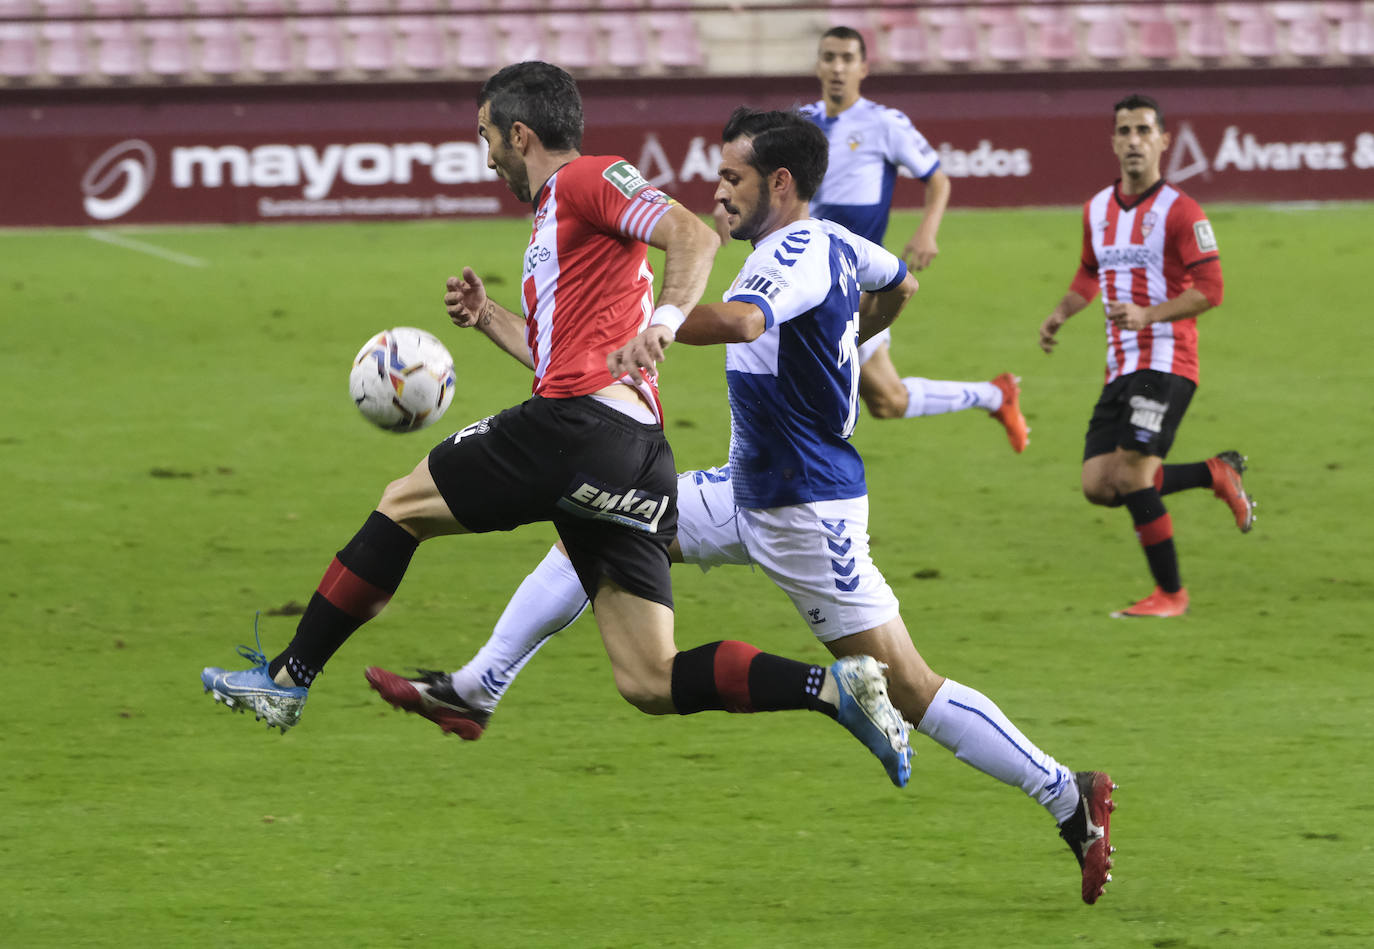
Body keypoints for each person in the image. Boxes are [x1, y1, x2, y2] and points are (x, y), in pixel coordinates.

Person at [369, 108, 1119, 906]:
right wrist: (860, 339)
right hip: (745, 489)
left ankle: (1069, 793)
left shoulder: (792, 250)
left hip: (803, 514)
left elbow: (742, 319)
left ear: (781, 184)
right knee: (595, 524)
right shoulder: (832, 238)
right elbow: (901, 279)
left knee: (909, 686)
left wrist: (647, 321)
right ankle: (478, 686)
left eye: (732, 178)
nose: (716, 192)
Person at [200, 62, 915, 790]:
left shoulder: (586, 179)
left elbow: (694, 237)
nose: (486, 156)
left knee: (402, 504)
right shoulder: (557, 223)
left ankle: (290, 676)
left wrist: (665, 323)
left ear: (520, 133)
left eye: (487, 138)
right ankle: (831, 689)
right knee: (648, 677)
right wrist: (487, 319)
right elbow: (556, 355)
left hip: (578, 428)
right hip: (637, 455)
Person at [711, 25, 1029, 452]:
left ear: (863, 67)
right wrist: (731, 197)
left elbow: (937, 180)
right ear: (818, 65)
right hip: (795, 273)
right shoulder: (798, 127)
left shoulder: (884, 124)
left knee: (880, 397)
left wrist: (927, 230)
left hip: (848, 284)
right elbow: (754, 172)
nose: (837, 67)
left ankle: (995, 395)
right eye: (829, 57)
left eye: (846, 58)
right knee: (867, 394)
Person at [1037, 93, 1256, 619]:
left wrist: (1148, 315)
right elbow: (1091, 271)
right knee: (1099, 484)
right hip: (1120, 364)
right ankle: (1214, 474)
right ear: (1113, 141)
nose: (1134, 140)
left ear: (1163, 140)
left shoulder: (1182, 211)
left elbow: (1212, 288)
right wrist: (1063, 312)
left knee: (1133, 474)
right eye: (1125, 131)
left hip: (1166, 361)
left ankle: (1171, 595)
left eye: (1143, 130)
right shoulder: (1097, 209)